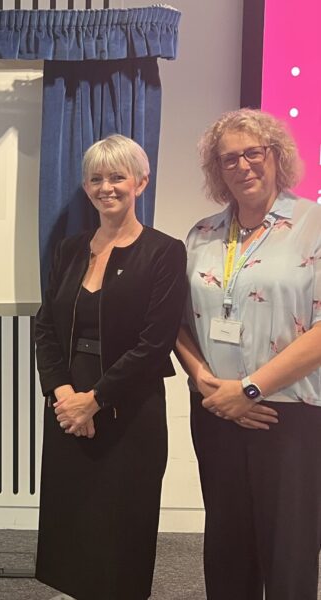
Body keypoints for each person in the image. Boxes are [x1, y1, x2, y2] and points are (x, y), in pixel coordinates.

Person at [175, 108, 321, 599]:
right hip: (217, 412)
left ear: (276, 157)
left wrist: (251, 389)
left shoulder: (314, 225)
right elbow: (178, 322)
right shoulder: (202, 235)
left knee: (289, 555)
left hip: (290, 417)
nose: (242, 166)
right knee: (227, 550)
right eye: (228, 159)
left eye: (252, 153)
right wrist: (203, 381)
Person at [34, 135, 187, 599]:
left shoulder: (164, 251)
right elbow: (45, 327)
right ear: (85, 187)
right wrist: (64, 396)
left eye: (117, 176)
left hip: (129, 407)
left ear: (140, 181)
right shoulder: (68, 248)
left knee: (122, 527)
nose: (107, 187)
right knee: (73, 524)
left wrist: (94, 402)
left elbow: (154, 343)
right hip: (67, 404)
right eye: (96, 178)